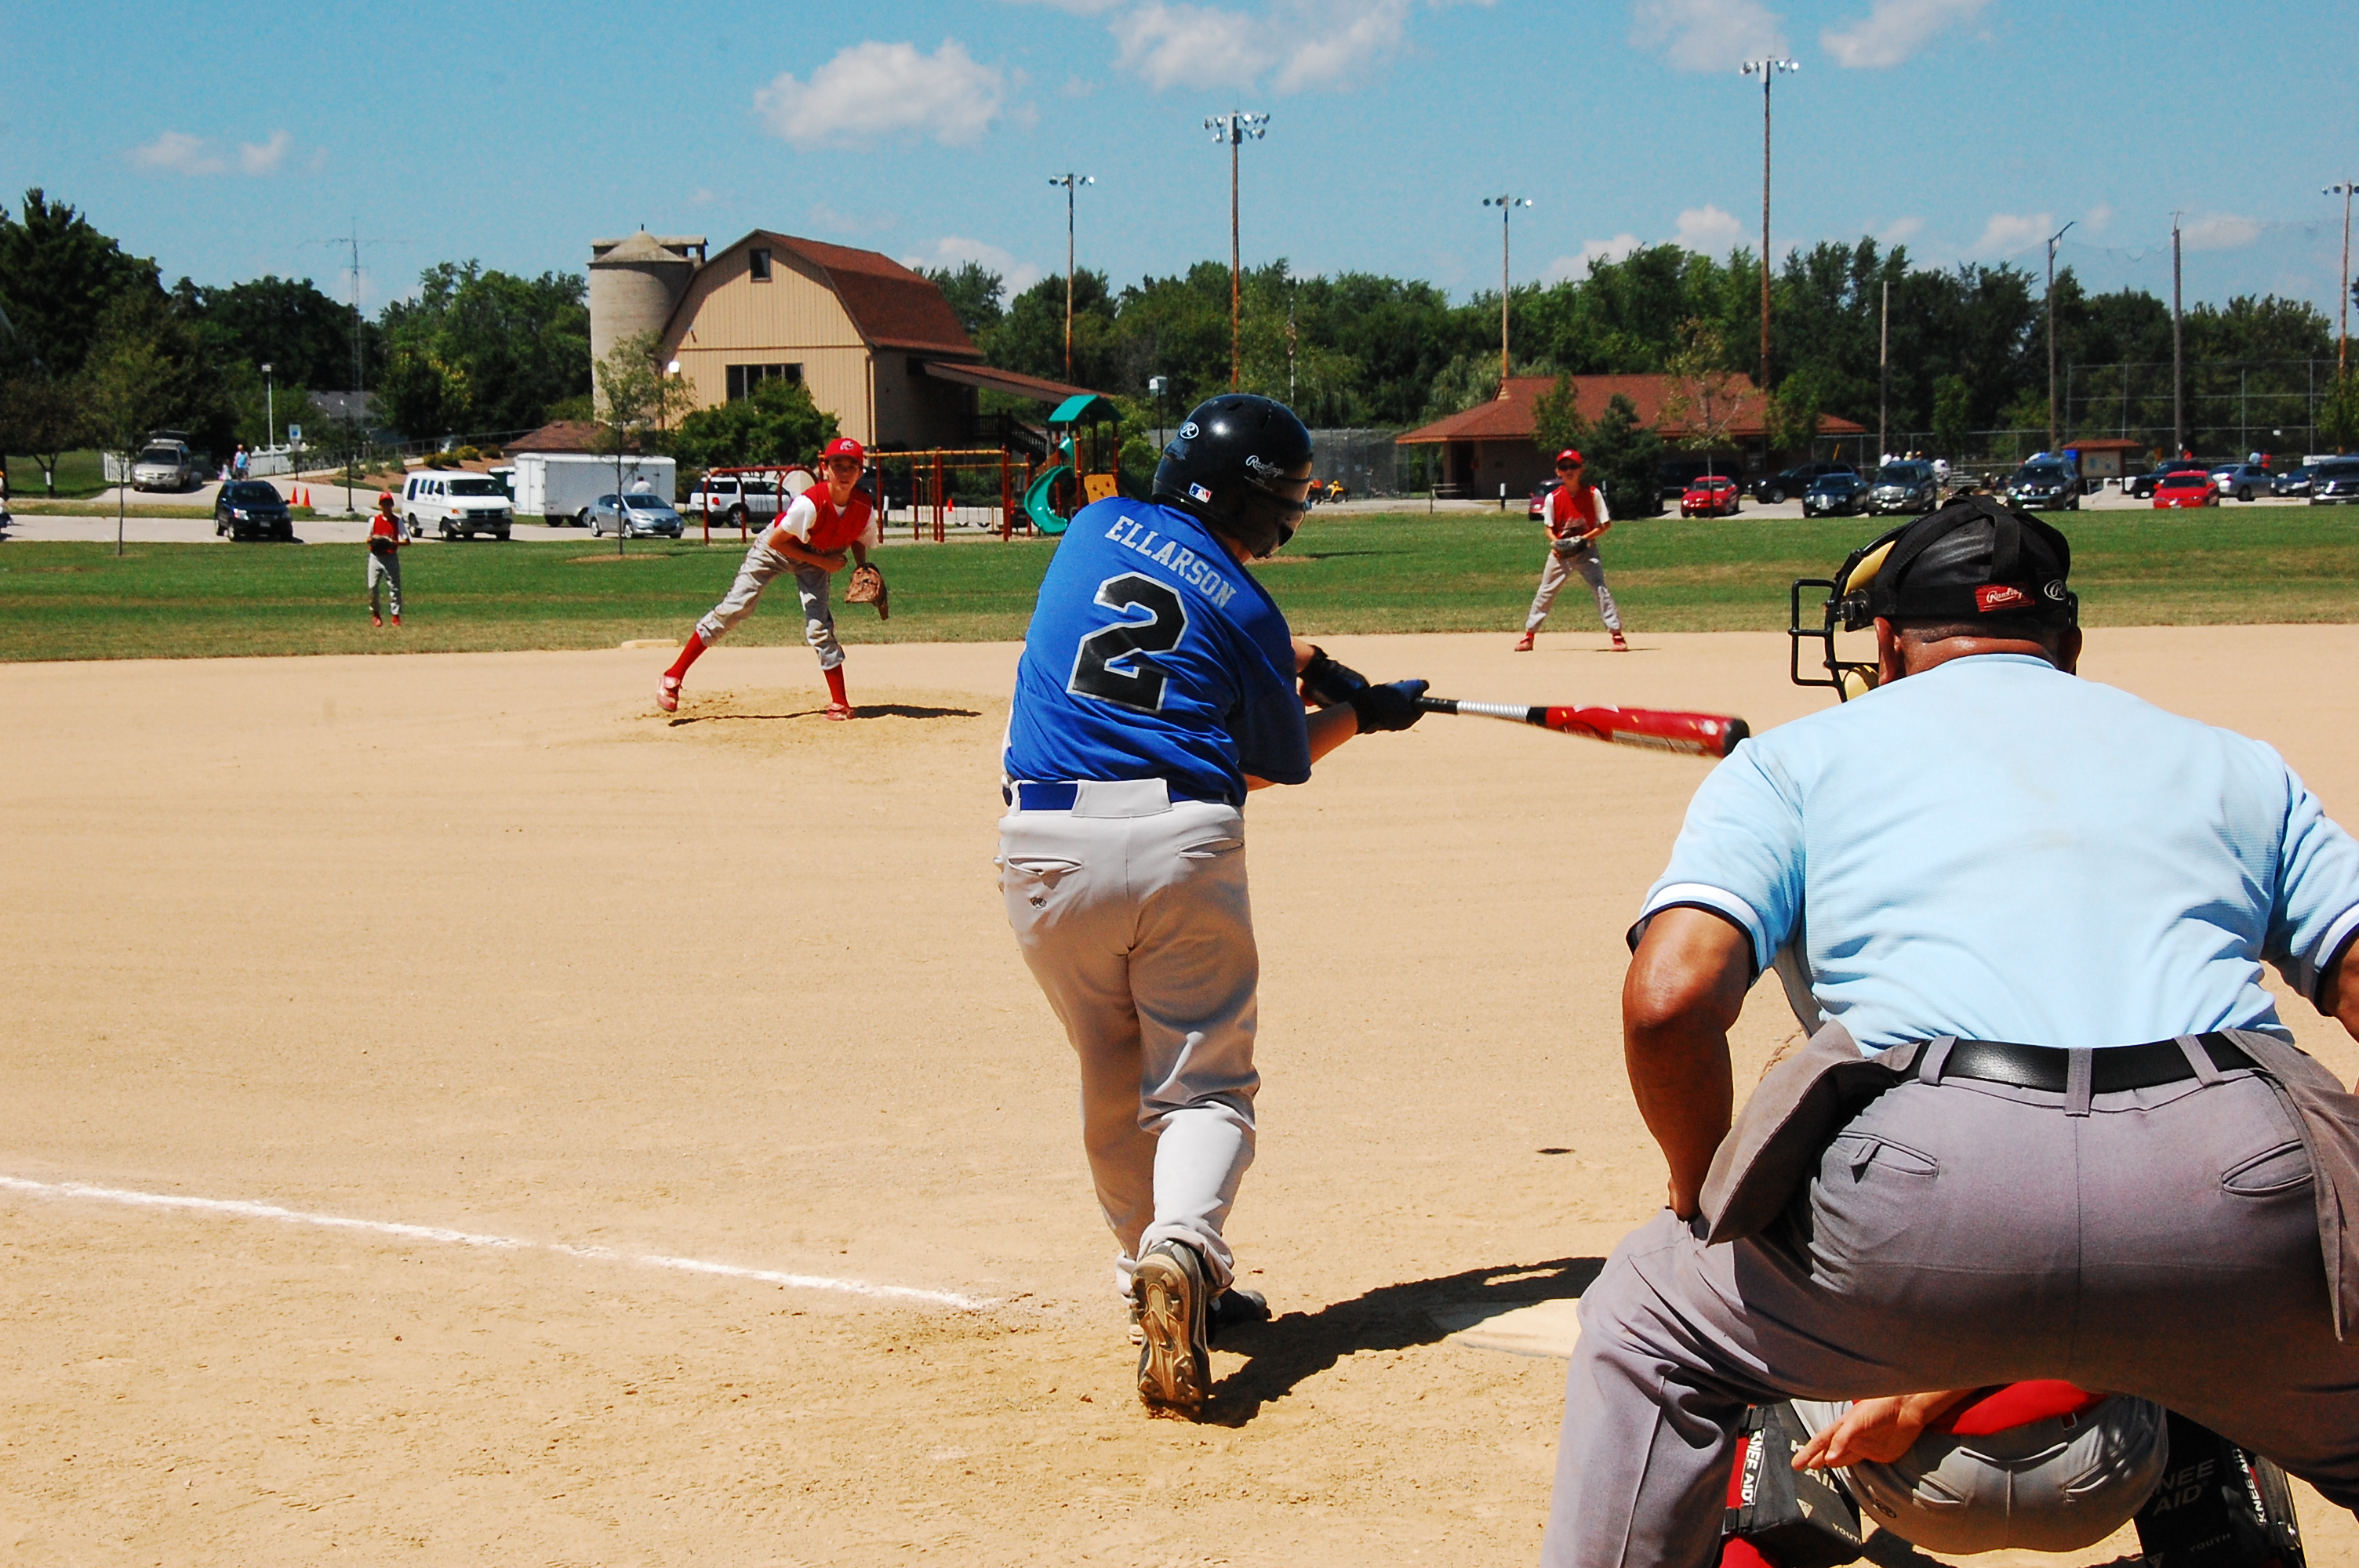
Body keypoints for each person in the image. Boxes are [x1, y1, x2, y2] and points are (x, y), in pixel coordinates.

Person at [1541, 496, 2359, 1566]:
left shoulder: (1794, 760)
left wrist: (1704, 1195)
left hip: (1922, 1183)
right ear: (2067, 642)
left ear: (1886, 642)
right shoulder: (2235, 764)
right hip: (2239, 1175)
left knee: (1650, 1324)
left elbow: (1668, 998)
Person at [998, 394, 1430, 1418]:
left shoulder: (1097, 523)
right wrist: (1358, 713)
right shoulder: (1250, 611)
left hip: (1040, 849)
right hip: (1175, 847)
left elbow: (1168, 612)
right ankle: (1186, 1248)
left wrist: (1307, 668)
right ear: (1265, 507)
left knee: (1110, 1067)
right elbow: (1270, 764)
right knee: (1204, 1086)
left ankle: (1142, 1272)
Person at [658, 437, 878, 720]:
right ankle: (673, 676)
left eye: (852, 466)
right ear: (825, 468)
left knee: (819, 626)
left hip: (817, 557)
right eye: (838, 465)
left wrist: (863, 568)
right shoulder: (810, 503)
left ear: (861, 472)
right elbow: (777, 541)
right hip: (775, 551)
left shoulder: (863, 507)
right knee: (737, 607)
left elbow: (858, 535)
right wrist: (824, 563)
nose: (844, 473)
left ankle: (840, 703)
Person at [1515, 449, 1627, 654]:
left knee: (1600, 588)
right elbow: (1548, 529)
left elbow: (1605, 524)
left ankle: (1616, 634)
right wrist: (1558, 544)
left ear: (1581, 469)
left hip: (1587, 550)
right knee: (1546, 591)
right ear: (1558, 471)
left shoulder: (1592, 494)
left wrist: (1584, 540)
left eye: (1573, 466)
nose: (1569, 471)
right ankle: (1529, 636)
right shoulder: (1553, 498)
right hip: (1561, 554)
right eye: (1564, 467)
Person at [365, 490, 406, 628]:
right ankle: (376, 614)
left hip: (390, 557)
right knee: (372, 587)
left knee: (394, 587)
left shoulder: (397, 521)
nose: (386, 507)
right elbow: (368, 539)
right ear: (380, 506)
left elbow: (406, 541)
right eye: (384, 504)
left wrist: (393, 542)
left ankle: (396, 616)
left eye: (388, 504)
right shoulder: (374, 520)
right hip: (376, 557)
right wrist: (376, 540)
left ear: (392, 505)